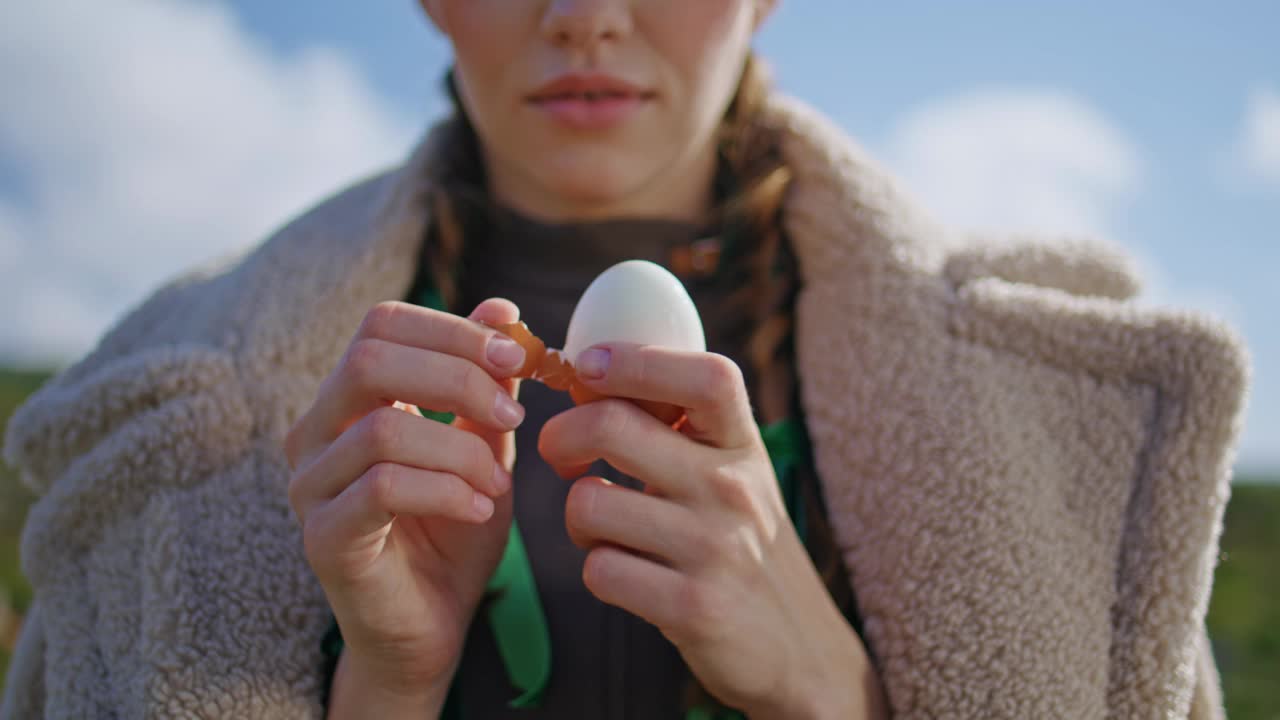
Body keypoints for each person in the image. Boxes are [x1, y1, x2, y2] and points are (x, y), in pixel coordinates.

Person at [0, 1, 1249, 718]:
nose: (584, 15)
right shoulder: (164, 413)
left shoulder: (1060, 415)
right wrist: (385, 681)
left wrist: (832, 689)